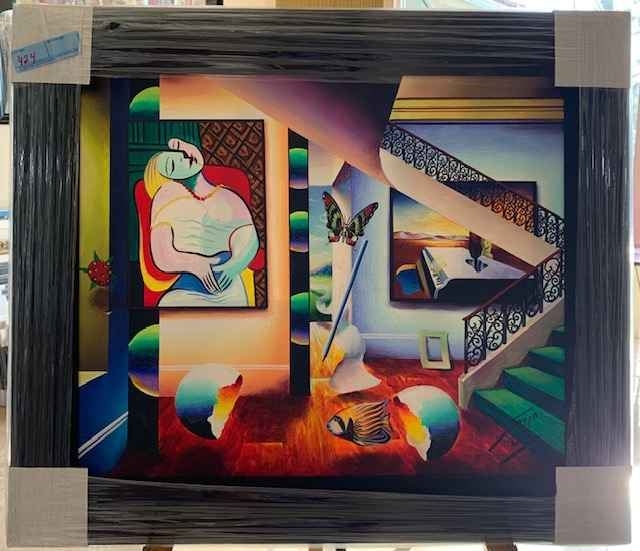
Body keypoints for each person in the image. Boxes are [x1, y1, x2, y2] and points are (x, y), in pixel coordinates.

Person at [143, 138, 259, 307]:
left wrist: (234, 265)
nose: (184, 158)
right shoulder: (166, 196)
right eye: (173, 165)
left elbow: (248, 237)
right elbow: (162, 255)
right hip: (185, 293)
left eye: (181, 151)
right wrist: (195, 264)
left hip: (231, 290)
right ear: (169, 178)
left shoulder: (227, 195)